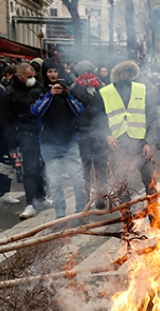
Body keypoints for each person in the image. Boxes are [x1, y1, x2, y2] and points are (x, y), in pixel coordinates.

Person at [30, 60, 88, 220]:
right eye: (50, 72)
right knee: (55, 183)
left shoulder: (68, 91)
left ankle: (81, 212)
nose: (53, 75)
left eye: (55, 71)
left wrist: (67, 96)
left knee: (78, 180)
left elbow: (79, 111)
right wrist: (50, 95)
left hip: (69, 143)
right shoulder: (39, 91)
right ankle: (60, 215)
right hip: (49, 145)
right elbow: (36, 112)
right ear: (45, 73)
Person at [100, 60, 160, 203]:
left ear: (132, 73)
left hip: (140, 142)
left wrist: (149, 143)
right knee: (121, 180)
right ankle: (126, 217)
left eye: (127, 71)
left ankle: (154, 212)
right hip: (119, 142)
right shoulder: (105, 91)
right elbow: (99, 117)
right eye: (121, 72)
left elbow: (151, 118)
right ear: (116, 74)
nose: (124, 74)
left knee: (148, 177)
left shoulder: (142, 89)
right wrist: (107, 135)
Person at [1, 62, 53, 219]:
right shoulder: (9, 93)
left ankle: (41, 197)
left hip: (42, 134)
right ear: (20, 76)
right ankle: (30, 204)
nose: (32, 79)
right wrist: (12, 146)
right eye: (29, 77)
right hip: (25, 136)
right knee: (30, 170)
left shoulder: (38, 88)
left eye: (34, 76)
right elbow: (7, 121)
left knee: (42, 166)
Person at [70, 60, 111, 209]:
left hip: (100, 133)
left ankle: (101, 197)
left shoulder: (101, 87)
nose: (87, 74)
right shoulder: (73, 89)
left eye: (90, 71)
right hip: (83, 134)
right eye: (84, 71)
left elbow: (107, 111)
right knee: (85, 170)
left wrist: (107, 132)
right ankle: (86, 200)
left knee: (101, 168)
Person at [0, 65, 21, 205]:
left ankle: (4, 192)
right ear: (9, 75)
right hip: (2, 134)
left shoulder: (11, 91)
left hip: (11, 133)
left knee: (11, 164)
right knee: (4, 163)